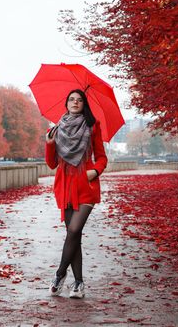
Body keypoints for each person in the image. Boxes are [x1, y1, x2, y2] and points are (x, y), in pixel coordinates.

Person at [44, 89, 108, 298]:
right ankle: (79, 284)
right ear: (66, 103)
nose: (75, 102)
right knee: (75, 236)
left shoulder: (92, 125)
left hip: (85, 186)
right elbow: (52, 163)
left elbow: (102, 158)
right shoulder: (57, 128)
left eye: (79, 100)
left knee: (73, 230)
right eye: (71, 99)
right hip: (65, 187)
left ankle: (59, 275)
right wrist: (49, 143)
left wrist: (94, 171)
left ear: (84, 104)